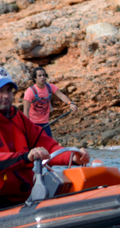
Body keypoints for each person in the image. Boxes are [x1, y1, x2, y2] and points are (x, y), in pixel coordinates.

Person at [0, 66, 90, 208]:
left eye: (8, 91)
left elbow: (48, 145)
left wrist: (73, 157)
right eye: (0, 91)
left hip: (22, 199)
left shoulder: (19, 119)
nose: (5, 95)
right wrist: (26, 157)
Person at [22, 67, 77, 137]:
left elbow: (62, 96)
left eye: (44, 75)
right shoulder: (30, 91)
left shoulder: (50, 87)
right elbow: (25, 111)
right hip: (33, 124)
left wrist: (70, 103)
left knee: (49, 146)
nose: (42, 77)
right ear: (35, 78)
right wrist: (28, 126)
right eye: (39, 76)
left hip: (45, 124)